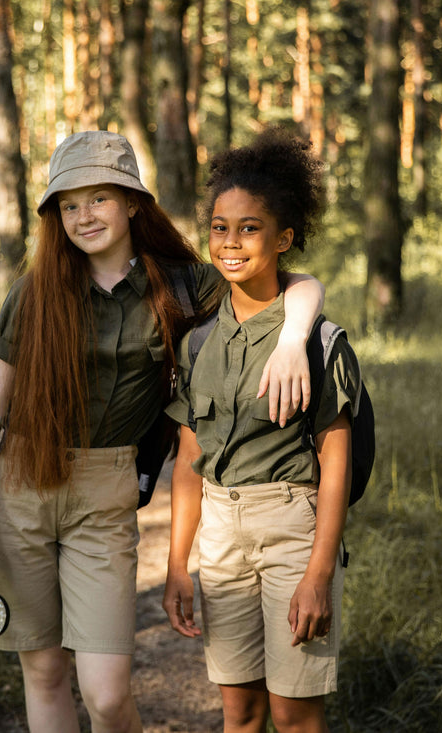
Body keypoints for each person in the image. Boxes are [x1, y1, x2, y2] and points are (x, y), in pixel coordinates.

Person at [0, 130, 326, 733]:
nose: (83, 215)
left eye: (98, 198)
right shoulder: (34, 293)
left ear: (131, 202)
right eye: (68, 205)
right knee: (45, 673)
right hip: (19, 487)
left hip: (105, 494)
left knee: (104, 693)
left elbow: (297, 284)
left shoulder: (180, 283)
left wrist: (291, 338)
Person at [163, 129, 359, 733]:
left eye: (249, 228)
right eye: (219, 226)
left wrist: (319, 573)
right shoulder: (198, 340)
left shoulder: (318, 342)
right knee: (240, 712)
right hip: (221, 538)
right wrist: (177, 565)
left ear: (284, 238)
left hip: (291, 532)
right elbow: (189, 461)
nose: (230, 242)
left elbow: (335, 464)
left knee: (294, 714)